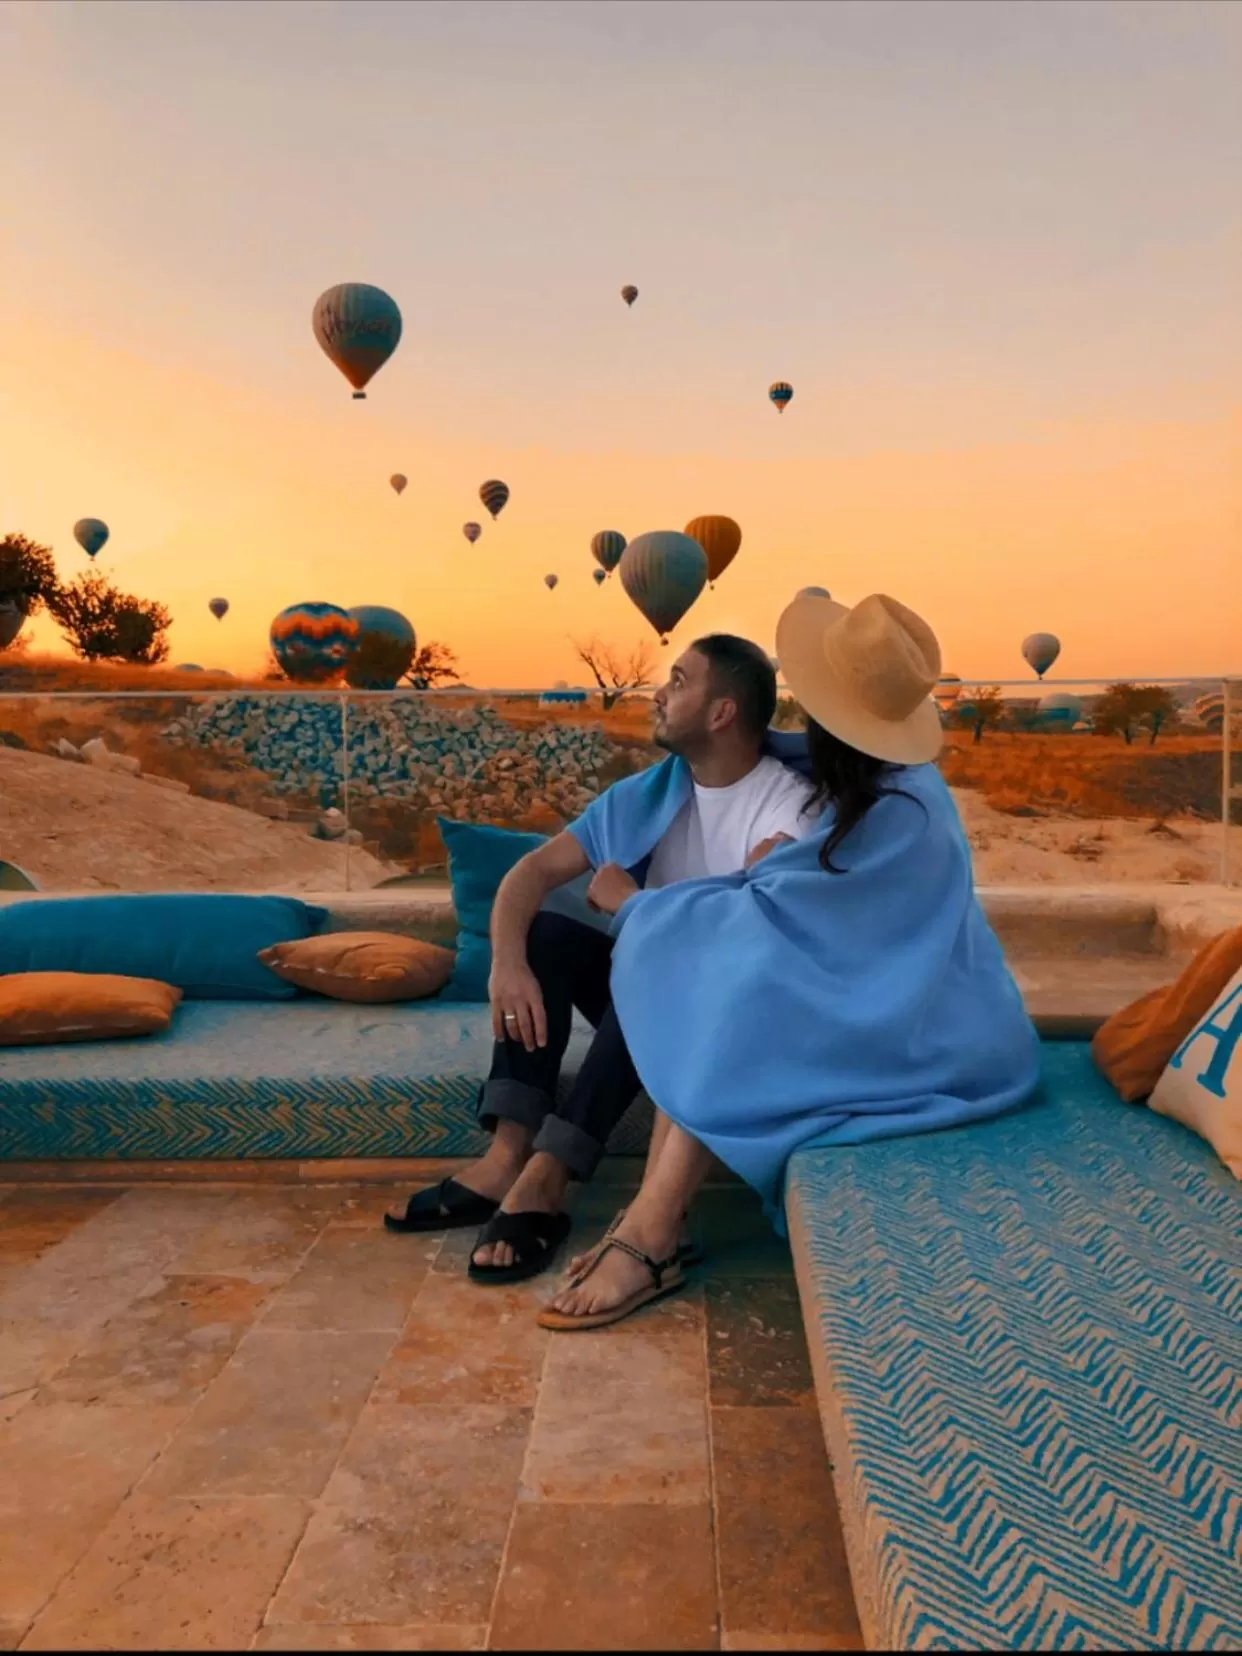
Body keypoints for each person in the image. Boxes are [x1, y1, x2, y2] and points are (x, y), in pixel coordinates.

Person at [536, 591, 1042, 1331]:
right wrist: (772, 871)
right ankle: (653, 1222)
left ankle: (651, 1231)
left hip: (927, 1027)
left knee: (746, 996)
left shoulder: (904, 813)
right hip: (875, 996)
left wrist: (635, 905)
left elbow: (798, 921)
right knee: (731, 985)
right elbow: (791, 896)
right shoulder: (859, 777)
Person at [385, 633, 821, 1280]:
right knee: (546, 938)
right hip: (649, 999)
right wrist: (507, 967)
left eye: (678, 680)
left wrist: (634, 905)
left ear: (722, 712)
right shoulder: (649, 794)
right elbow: (530, 873)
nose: (659, 693)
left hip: (722, 1021)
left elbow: (747, 927)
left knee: (660, 972)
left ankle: (550, 1171)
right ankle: (508, 1153)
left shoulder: (788, 806)